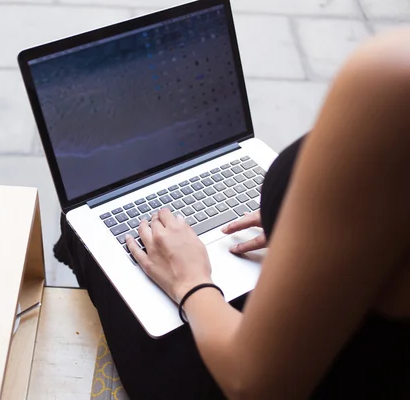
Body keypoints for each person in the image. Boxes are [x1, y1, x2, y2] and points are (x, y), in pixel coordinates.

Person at [54, 29, 410, 399]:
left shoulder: (391, 74)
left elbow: (253, 384)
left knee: (78, 229)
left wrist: (191, 282)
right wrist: (312, 227)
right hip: (353, 327)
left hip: (338, 371)